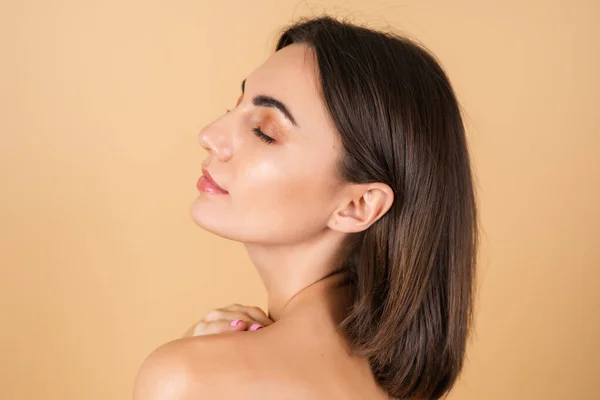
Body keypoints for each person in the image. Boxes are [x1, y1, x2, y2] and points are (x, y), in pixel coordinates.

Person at [133, 14, 478, 400]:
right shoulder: (394, 386)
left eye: (265, 131)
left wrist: (196, 363)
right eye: (235, 107)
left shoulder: (190, 378)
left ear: (358, 204)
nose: (210, 135)